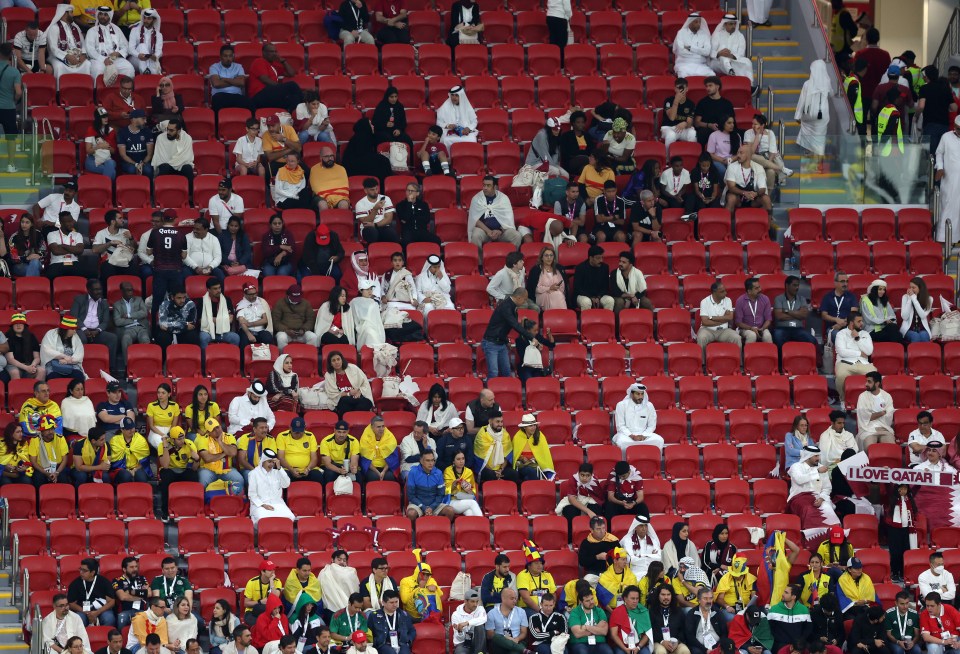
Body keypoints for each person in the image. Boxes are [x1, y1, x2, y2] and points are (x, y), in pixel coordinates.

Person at [787, 445, 840, 546]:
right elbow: (800, 479)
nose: (818, 458)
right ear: (808, 456)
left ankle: (832, 542)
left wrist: (821, 498)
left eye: (818, 456)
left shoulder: (821, 468)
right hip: (799, 498)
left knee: (828, 509)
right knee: (808, 509)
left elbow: (827, 488)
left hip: (818, 497)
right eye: (815, 456)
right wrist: (816, 471)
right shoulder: (796, 467)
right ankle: (812, 543)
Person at [481, 288, 537, 379]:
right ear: (519, 298)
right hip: (491, 343)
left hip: (501, 343)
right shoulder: (506, 306)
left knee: (506, 372)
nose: (525, 302)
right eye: (524, 299)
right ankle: (488, 393)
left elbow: (503, 326)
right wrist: (531, 337)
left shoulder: (512, 306)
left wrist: (506, 340)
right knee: (493, 373)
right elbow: (514, 324)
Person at [468, 176, 521, 250]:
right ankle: (480, 261)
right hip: (484, 231)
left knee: (517, 236)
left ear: (495, 187)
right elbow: (475, 219)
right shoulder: (477, 198)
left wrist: (500, 231)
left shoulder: (503, 198)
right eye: (484, 185)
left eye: (488, 185)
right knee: (475, 235)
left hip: (502, 231)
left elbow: (508, 220)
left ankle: (511, 260)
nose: (485, 188)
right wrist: (488, 231)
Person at [248, 43, 303, 113]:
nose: (274, 54)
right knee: (292, 85)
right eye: (271, 52)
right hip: (258, 96)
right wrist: (281, 88)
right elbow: (265, 80)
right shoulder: (259, 61)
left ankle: (297, 117)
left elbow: (291, 73)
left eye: (275, 51)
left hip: (270, 97)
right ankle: (307, 103)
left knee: (294, 99)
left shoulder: (274, 65)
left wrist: (283, 61)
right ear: (264, 53)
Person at [834, 314, 876, 405]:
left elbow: (869, 352)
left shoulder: (865, 334)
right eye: (859, 321)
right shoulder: (841, 334)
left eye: (862, 321)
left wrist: (858, 338)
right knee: (841, 375)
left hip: (863, 363)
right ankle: (843, 399)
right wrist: (860, 353)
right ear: (851, 323)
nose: (862, 323)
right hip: (845, 363)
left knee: (875, 376)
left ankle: (872, 401)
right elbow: (842, 352)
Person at [248, 448, 295, 525]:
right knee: (263, 520)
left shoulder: (277, 472)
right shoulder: (254, 474)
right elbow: (252, 495)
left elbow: (286, 484)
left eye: (273, 462)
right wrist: (263, 505)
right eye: (269, 462)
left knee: (290, 517)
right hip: (260, 505)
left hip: (277, 504)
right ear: (263, 462)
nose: (271, 464)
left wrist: (280, 468)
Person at [613, 383, 664, 455]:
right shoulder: (621, 405)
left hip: (644, 435)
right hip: (626, 435)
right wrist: (632, 436)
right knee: (622, 442)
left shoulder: (649, 405)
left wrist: (643, 435)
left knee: (659, 440)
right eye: (637, 394)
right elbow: (620, 426)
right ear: (631, 394)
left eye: (642, 394)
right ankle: (626, 465)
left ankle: (653, 462)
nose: (640, 397)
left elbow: (652, 425)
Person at [796, 61, 832, 159]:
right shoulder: (827, 83)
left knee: (807, 132)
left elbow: (802, 100)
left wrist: (798, 116)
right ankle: (819, 163)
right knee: (820, 139)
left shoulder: (807, 84)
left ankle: (808, 154)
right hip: (823, 114)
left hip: (810, 114)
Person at [85, 6, 133, 81]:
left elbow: (125, 46)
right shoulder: (92, 31)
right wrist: (103, 59)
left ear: (110, 16)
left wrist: (118, 53)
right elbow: (90, 50)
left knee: (128, 68)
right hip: (98, 60)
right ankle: (97, 91)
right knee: (98, 69)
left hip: (116, 59)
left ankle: (124, 91)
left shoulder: (116, 29)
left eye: (105, 15)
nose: (102, 17)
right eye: (100, 14)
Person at [46, 5, 91, 79]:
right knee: (59, 66)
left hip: (77, 55)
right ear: (64, 14)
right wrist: (66, 56)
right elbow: (53, 48)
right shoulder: (54, 28)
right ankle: (60, 89)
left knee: (87, 64)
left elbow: (83, 42)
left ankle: (84, 88)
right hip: (59, 56)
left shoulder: (75, 27)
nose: (73, 15)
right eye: (71, 12)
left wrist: (83, 54)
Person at [324, 351, 374, 417]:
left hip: (358, 397)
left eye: (338, 359)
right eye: (333, 360)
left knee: (367, 403)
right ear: (331, 364)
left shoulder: (353, 368)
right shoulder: (328, 375)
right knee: (345, 401)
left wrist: (359, 391)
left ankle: (353, 419)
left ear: (342, 360)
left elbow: (365, 382)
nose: (336, 362)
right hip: (343, 399)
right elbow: (332, 394)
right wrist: (348, 394)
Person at [473, 410, 518, 483]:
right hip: (486, 467)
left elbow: (506, 455)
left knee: (514, 474)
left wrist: (501, 470)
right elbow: (481, 458)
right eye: (497, 422)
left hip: (501, 468)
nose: (500, 424)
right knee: (490, 475)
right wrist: (494, 472)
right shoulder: (482, 434)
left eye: (501, 421)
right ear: (490, 421)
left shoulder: (505, 434)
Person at [272, 284, 319, 352]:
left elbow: (311, 319)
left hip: (301, 332)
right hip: (285, 332)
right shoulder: (280, 303)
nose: (296, 300)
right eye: (293, 298)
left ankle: (308, 356)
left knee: (313, 337)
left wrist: (303, 329)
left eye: (297, 298)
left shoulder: (306, 303)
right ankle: (284, 358)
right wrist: (286, 330)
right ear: (288, 295)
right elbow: (275, 321)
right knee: (281, 338)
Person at [935, 116, 960, 244]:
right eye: (958, 129)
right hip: (949, 180)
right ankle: (943, 238)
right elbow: (939, 153)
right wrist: (940, 167)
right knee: (948, 206)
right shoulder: (946, 137)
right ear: (954, 127)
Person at [697, 281, 741, 351]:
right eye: (722, 291)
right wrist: (722, 320)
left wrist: (712, 318)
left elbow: (730, 317)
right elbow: (705, 322)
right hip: (707, 330)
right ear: (714, 292)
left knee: (737, 338)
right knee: (701, 338)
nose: (725, 293)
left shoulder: (728, 300)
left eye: (725, 291)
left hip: (724, 330)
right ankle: (702, 361)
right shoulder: (704, 302)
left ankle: (738, 361)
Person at [209, 45, 253, 114]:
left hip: (236, 95)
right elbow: (216, 84)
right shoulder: (214, 67)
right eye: (225, 56)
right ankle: (217, 124)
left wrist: (224, 79)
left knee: (251, 104)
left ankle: (251, 124)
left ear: (233, 56)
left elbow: (241, 83)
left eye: (230, 56)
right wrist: (234, 80)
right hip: (220, 95)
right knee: (217, 100)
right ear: (220, 57)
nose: (228, 58)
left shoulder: (238, 66)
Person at [855, 371, 895, 448]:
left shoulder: (887, 396)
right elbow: (865, 417)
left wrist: (873, 415)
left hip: (884, 428)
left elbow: (889, 415)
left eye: (869, 382)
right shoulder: (862, 396)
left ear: (877, 383)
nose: (866, 384)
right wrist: (882, 412)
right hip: (867, 430)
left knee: (891, 448)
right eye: (866, 381)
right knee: (869, 448)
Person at [767, 585, 811, 652]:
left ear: (793, 597)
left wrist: (800, 641)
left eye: (786, 593)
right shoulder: (773, 609)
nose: (783, 594)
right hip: (779, 645)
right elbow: (769, 629)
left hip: (798, 646)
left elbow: (808, 629)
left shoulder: (804, 610)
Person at [919, 66, 953, 156]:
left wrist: (916, 116)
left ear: (927, 76)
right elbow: (954, 107)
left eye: (924, 76)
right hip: (944, 125)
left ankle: (931, 170)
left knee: (930, 153)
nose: (923, 77)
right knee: (942, 153)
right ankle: (940, 169)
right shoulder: (945, 88)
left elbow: (921, 106)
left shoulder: (924, 88)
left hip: (929, 125)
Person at [368, 590, 415, 654]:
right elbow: (369, 632)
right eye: (391, 602)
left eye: (396, 602)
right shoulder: (374, 616)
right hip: (383, 644)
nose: (395, 605)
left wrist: (408, 640)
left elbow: (412, 630)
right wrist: (375, 642)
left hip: (401, 643)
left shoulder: (404, 615)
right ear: (383, 603)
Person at [485, 588, 529, 654]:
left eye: (515, 598)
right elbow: (490, 635)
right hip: (500, 643)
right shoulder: (492, 613)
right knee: (496, 637)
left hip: (517, 641)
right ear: (503, 598)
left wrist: (516, 639)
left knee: (515, 652)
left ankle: (521, 649)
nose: (514, 601)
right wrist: (506, 639)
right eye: (512, 598)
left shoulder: (521, 612)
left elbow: (524, 632)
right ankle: (524, 651)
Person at [710, 14, 752, 83]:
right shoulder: (717, 35)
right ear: (725, 24)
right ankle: (732, 73)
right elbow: (710, 52)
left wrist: (731, 56)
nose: (733, 26)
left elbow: (741, 54)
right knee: (724, 58)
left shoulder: (740, 36)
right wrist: (719, 53)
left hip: (733, 60)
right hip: (717, 62)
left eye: (734, 24)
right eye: (731, 24)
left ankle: (749, 84)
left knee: (747, 62)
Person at [436, 86, 479, 153]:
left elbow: (474, 121)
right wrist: (447, 125)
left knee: (472, 139)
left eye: (456, 95)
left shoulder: (467, 106)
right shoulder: (445, 106)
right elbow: (438, 122)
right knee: (445, 140)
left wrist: (468, 128)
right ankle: (449, 160)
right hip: (451, 132)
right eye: (452, 95)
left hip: (465, 132)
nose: (454, 98)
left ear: (461, 96)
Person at [683, 589, 726, 654]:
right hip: (699, 646)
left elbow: (724, 633)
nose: (709, 601)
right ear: (699, 600)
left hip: (717, 646)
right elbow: (690, 636)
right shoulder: (691, 614)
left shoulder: (718, 612)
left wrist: (716, 647)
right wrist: (705, 650)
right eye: (705, 598)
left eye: (711, 598)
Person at [399, 557, 442, 621]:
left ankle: (433, 617)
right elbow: (405, 600)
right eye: (423, 574)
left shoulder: (431, 580)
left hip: (428, 613)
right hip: (411, 615)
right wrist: (419, 588)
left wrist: (434, 587)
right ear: (417, 573)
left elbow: (439, 594)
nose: (425, 577)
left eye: (427, 575)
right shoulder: (405, 581)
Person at [152, 119, 194, 184]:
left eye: (171, 130)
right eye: (167, 129)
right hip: (167, 166)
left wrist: (176, 164)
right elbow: (161, 159)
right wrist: (173, 164)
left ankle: (190, 193)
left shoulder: (187, 138)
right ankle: (159, 192)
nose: (168, 132)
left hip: (181, 166)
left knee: (188, 168)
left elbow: (187, 158)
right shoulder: (160, 138)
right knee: (165, 167)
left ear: (179, 131)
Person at [359, 416, 400, 483]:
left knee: (390, 477)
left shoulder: (389, 437)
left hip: (386, 467)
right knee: (373, 477)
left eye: (383, 426)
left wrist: (383, 471)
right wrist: (378, 472)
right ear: (372, 427)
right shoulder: (365, 438)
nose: (381, 429)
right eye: (378, 427)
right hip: (372, 467)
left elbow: (392, 458)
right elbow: (366, 459)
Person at [310, 145, 351, 211]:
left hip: (340, 196)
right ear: (321, 158)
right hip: (321, 196)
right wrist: (329, 197)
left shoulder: (341, 169)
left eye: (331, 156)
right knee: (323, 205)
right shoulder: (314, 169)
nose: (330, 158)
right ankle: (325, 221)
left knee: (344, 205)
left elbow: (344, 186)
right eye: (327, 156)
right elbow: (316, 188)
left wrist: (334, 197)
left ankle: (340, 221)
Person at [734, 277, 773, 344]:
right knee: (752, 335)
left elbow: (768, 319)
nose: (760, 289)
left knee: (767, 336)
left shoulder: (765, 299)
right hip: (745, 329)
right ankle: (748, 354)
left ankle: (769, 354)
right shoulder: (740, 301)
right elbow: (738, 322)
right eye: (756, 288)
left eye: (759, 287)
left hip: (761, 327)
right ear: (749, 291)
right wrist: (751, 328)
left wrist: (762, 329)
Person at [573, 246, 613, 310]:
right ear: (590, 258)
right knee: (586, 302)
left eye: (602, 258)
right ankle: (586, 320)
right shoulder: (580, 268)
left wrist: (598, 297)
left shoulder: (605, 267)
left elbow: (605, 287)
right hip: (583, 295)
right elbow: (578, 288)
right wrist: (591, 298)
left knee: (610, 300)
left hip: (599, 296)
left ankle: (606, 319)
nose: (601, 260)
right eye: (598, 258)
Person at [6, 314, 42, 383]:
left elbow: (37, 357)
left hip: (30, 364)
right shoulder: (8, 337)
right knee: (15, 372)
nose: (18, 325)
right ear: (12, 326)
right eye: (15, 323)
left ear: (24, 325)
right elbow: (10, 359)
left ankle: (37, 392)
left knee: (42, 370)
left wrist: (33, 365)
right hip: (14, 365)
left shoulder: (31, 336)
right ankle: (17, 392)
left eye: (21, 323)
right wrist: (26, 368)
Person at [673, 14, 713, 78]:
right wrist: (700, 51)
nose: (699, 24)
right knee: (682, 75)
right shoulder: (681, 33)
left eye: (699, 22)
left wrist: (690, 48)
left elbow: (707, 52)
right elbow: (681, 51)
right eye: (696, 22)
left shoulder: (704, 35)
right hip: (684, 63)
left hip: (700, 64)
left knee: (712, 75)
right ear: (690, 22)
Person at [453, 589, 489, 654]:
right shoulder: (456, 615)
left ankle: (479, 653)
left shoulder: (480, 609)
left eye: (477, 601)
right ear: (465, 601)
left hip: (478, 642)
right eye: (472, 601)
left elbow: (483, 619)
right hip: (463, 643)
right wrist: (460, 631)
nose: (475, 604)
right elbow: (459, 639)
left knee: (479, 627)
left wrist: (467, 623)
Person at [127, 9, 162, 75]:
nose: (146, 21)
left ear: (154, 20)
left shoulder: (158, 35)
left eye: (149, 19)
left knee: (153, 58)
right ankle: (147, 72)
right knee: (142, 46)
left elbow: (159, 51)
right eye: (145, 18)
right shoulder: (134, 30)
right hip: (135, 59)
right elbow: (130, 49)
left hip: (150, 60)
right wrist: (138, 55)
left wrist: (155, 56)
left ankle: (149, 72)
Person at [900, 277, 933, 343]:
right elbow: (904, 317)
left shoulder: (929, 299)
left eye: (913, 287)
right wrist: (910, 299)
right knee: (915, 336)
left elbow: (922, 315)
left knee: (924, 336)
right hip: (908, 329)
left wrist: (914, 299)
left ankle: (926, 353)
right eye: (910, 287)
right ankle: (914, 353)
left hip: (922, 328)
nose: (911, 290)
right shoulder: (905, 297)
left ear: (920, 288)